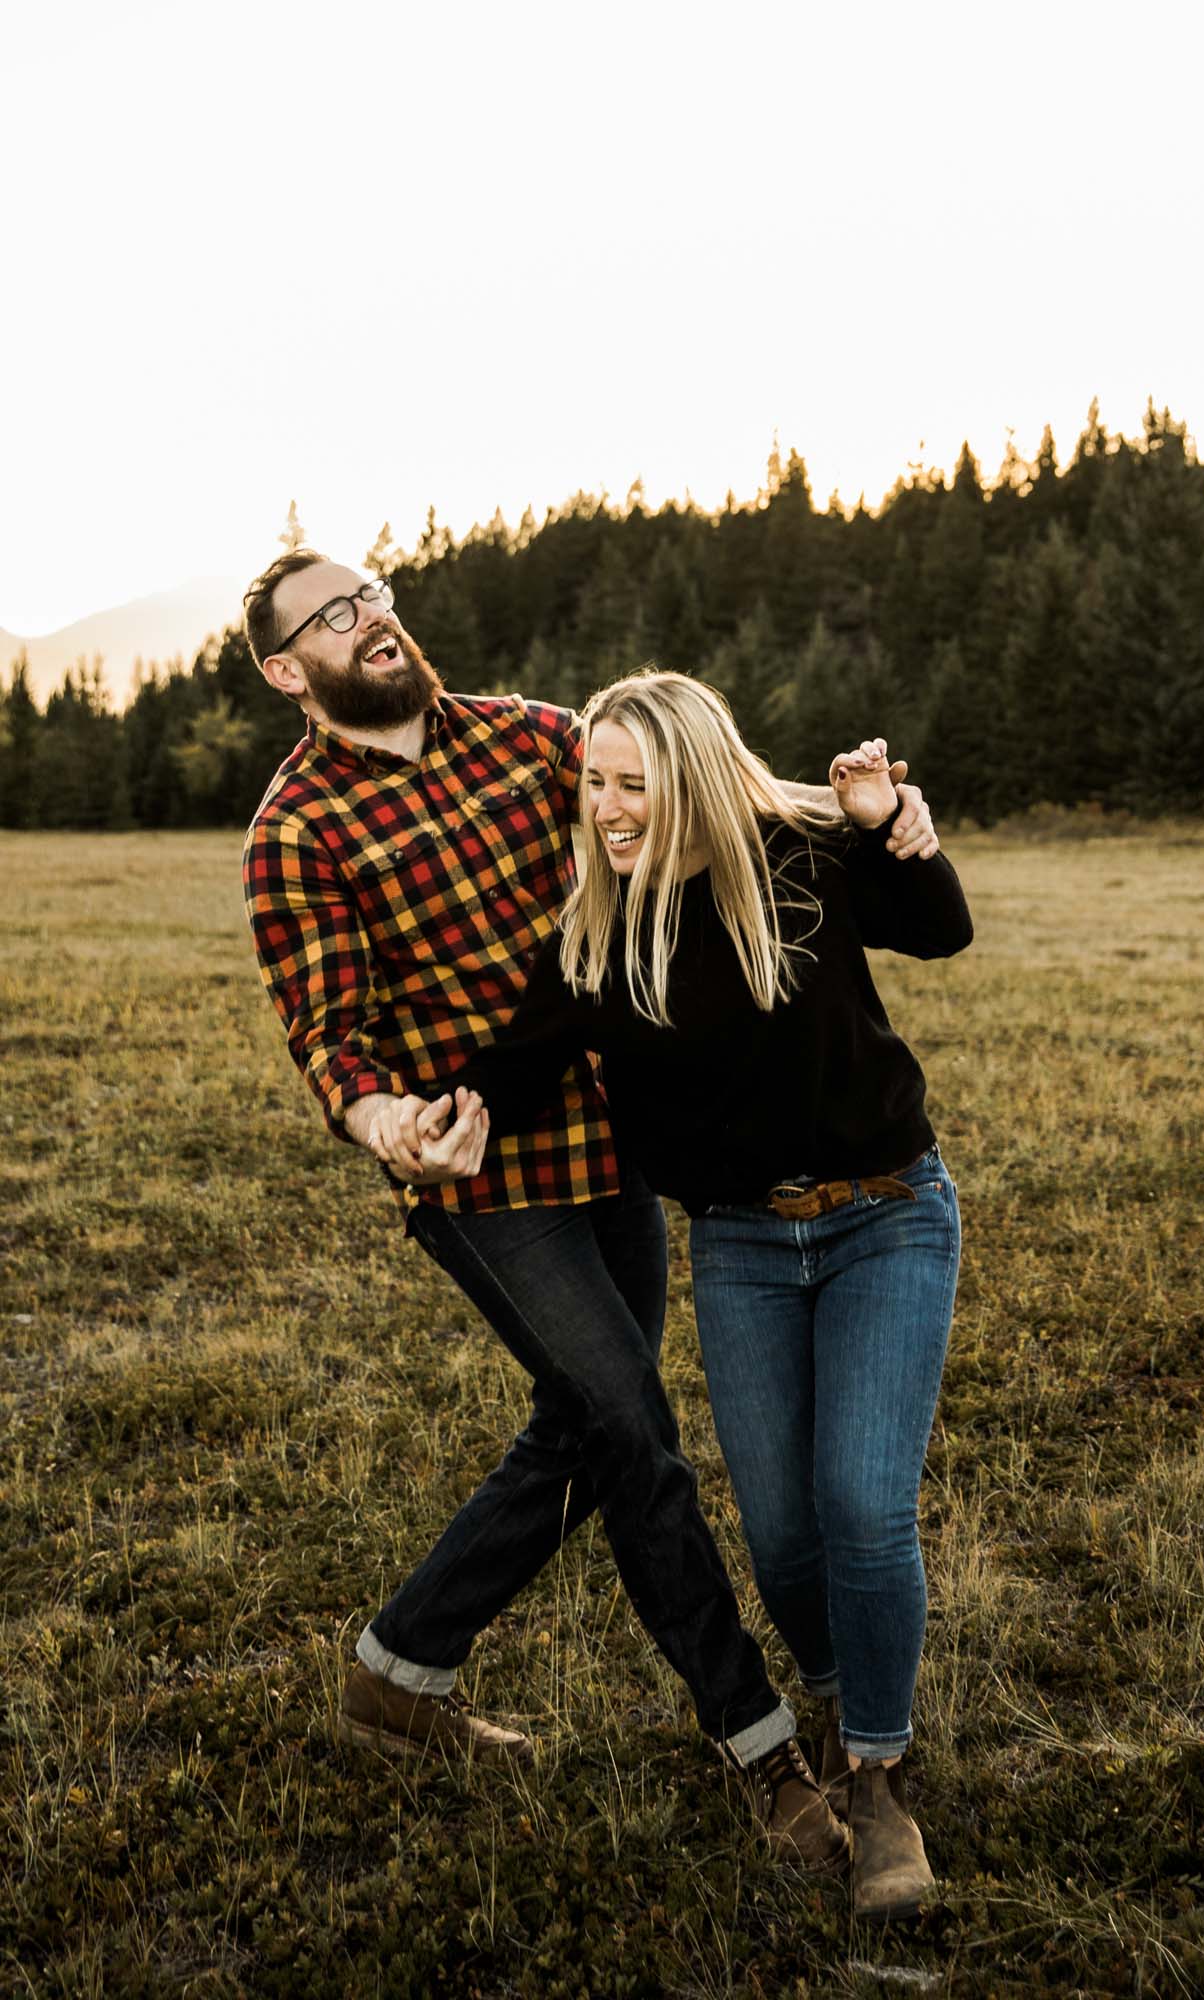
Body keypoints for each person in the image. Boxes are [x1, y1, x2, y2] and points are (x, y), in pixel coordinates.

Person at [240, 551, 937, 1873]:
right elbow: (328, 1031)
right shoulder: (298, 830)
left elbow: (700, 789)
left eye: (371, 590)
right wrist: (384, 1119)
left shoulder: (533, 738)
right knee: (634, 1432)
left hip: (616, 1150)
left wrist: (874, 820)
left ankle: (403, 1662)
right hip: (487, 1180)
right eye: (330, 616)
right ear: (288, 671)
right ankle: (760, 1744)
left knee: (587, 1424)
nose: (369, 617)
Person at [422, 669, 972, 1922]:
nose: (609, 810)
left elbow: (938, 928)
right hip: (738, 1243)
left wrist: (891, 823)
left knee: (862, 1504)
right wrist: (430, 1115)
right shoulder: (600, 933)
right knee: (780, 1530)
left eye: (635, 784)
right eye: (595, 784)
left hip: (885, 1210)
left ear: (694, 776)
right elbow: (512, 1062)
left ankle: (880, 1777)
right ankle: (837, 1699)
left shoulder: (801, 855)